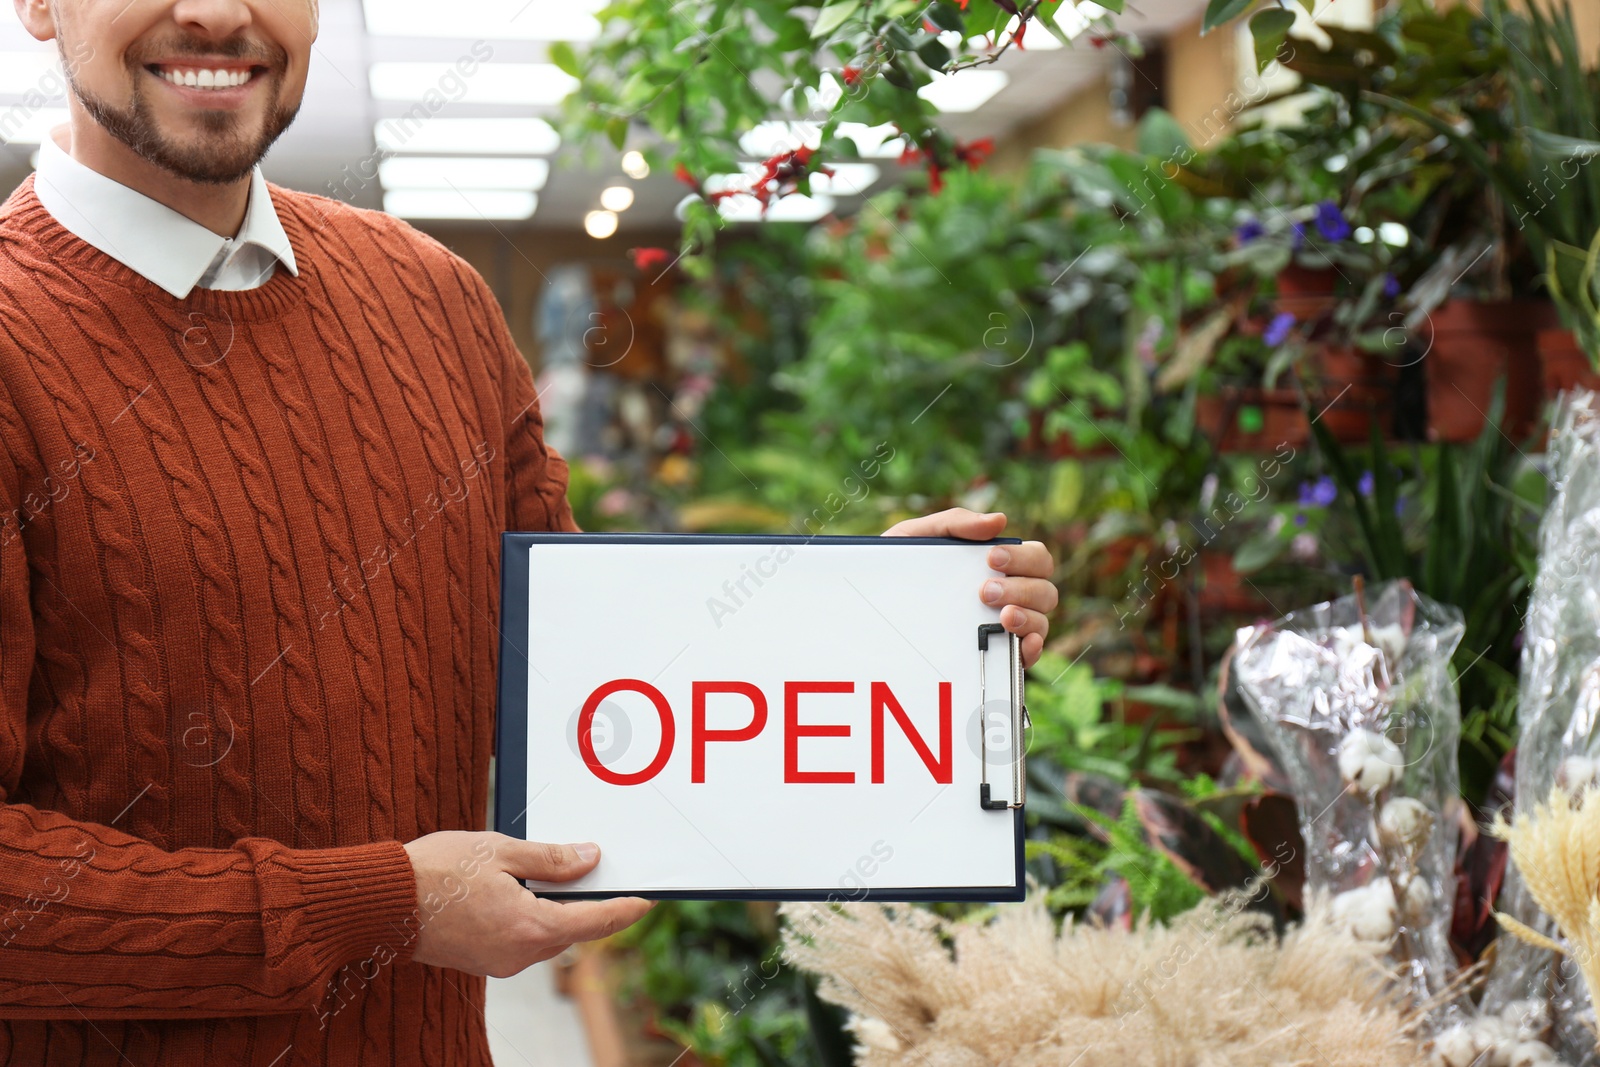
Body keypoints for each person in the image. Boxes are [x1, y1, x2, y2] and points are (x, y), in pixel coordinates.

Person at [0, 1, 1060, 1064]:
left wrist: (880, 632)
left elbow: (576, 664)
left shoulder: (434, 303)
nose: (219, 12)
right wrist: (382, 905)